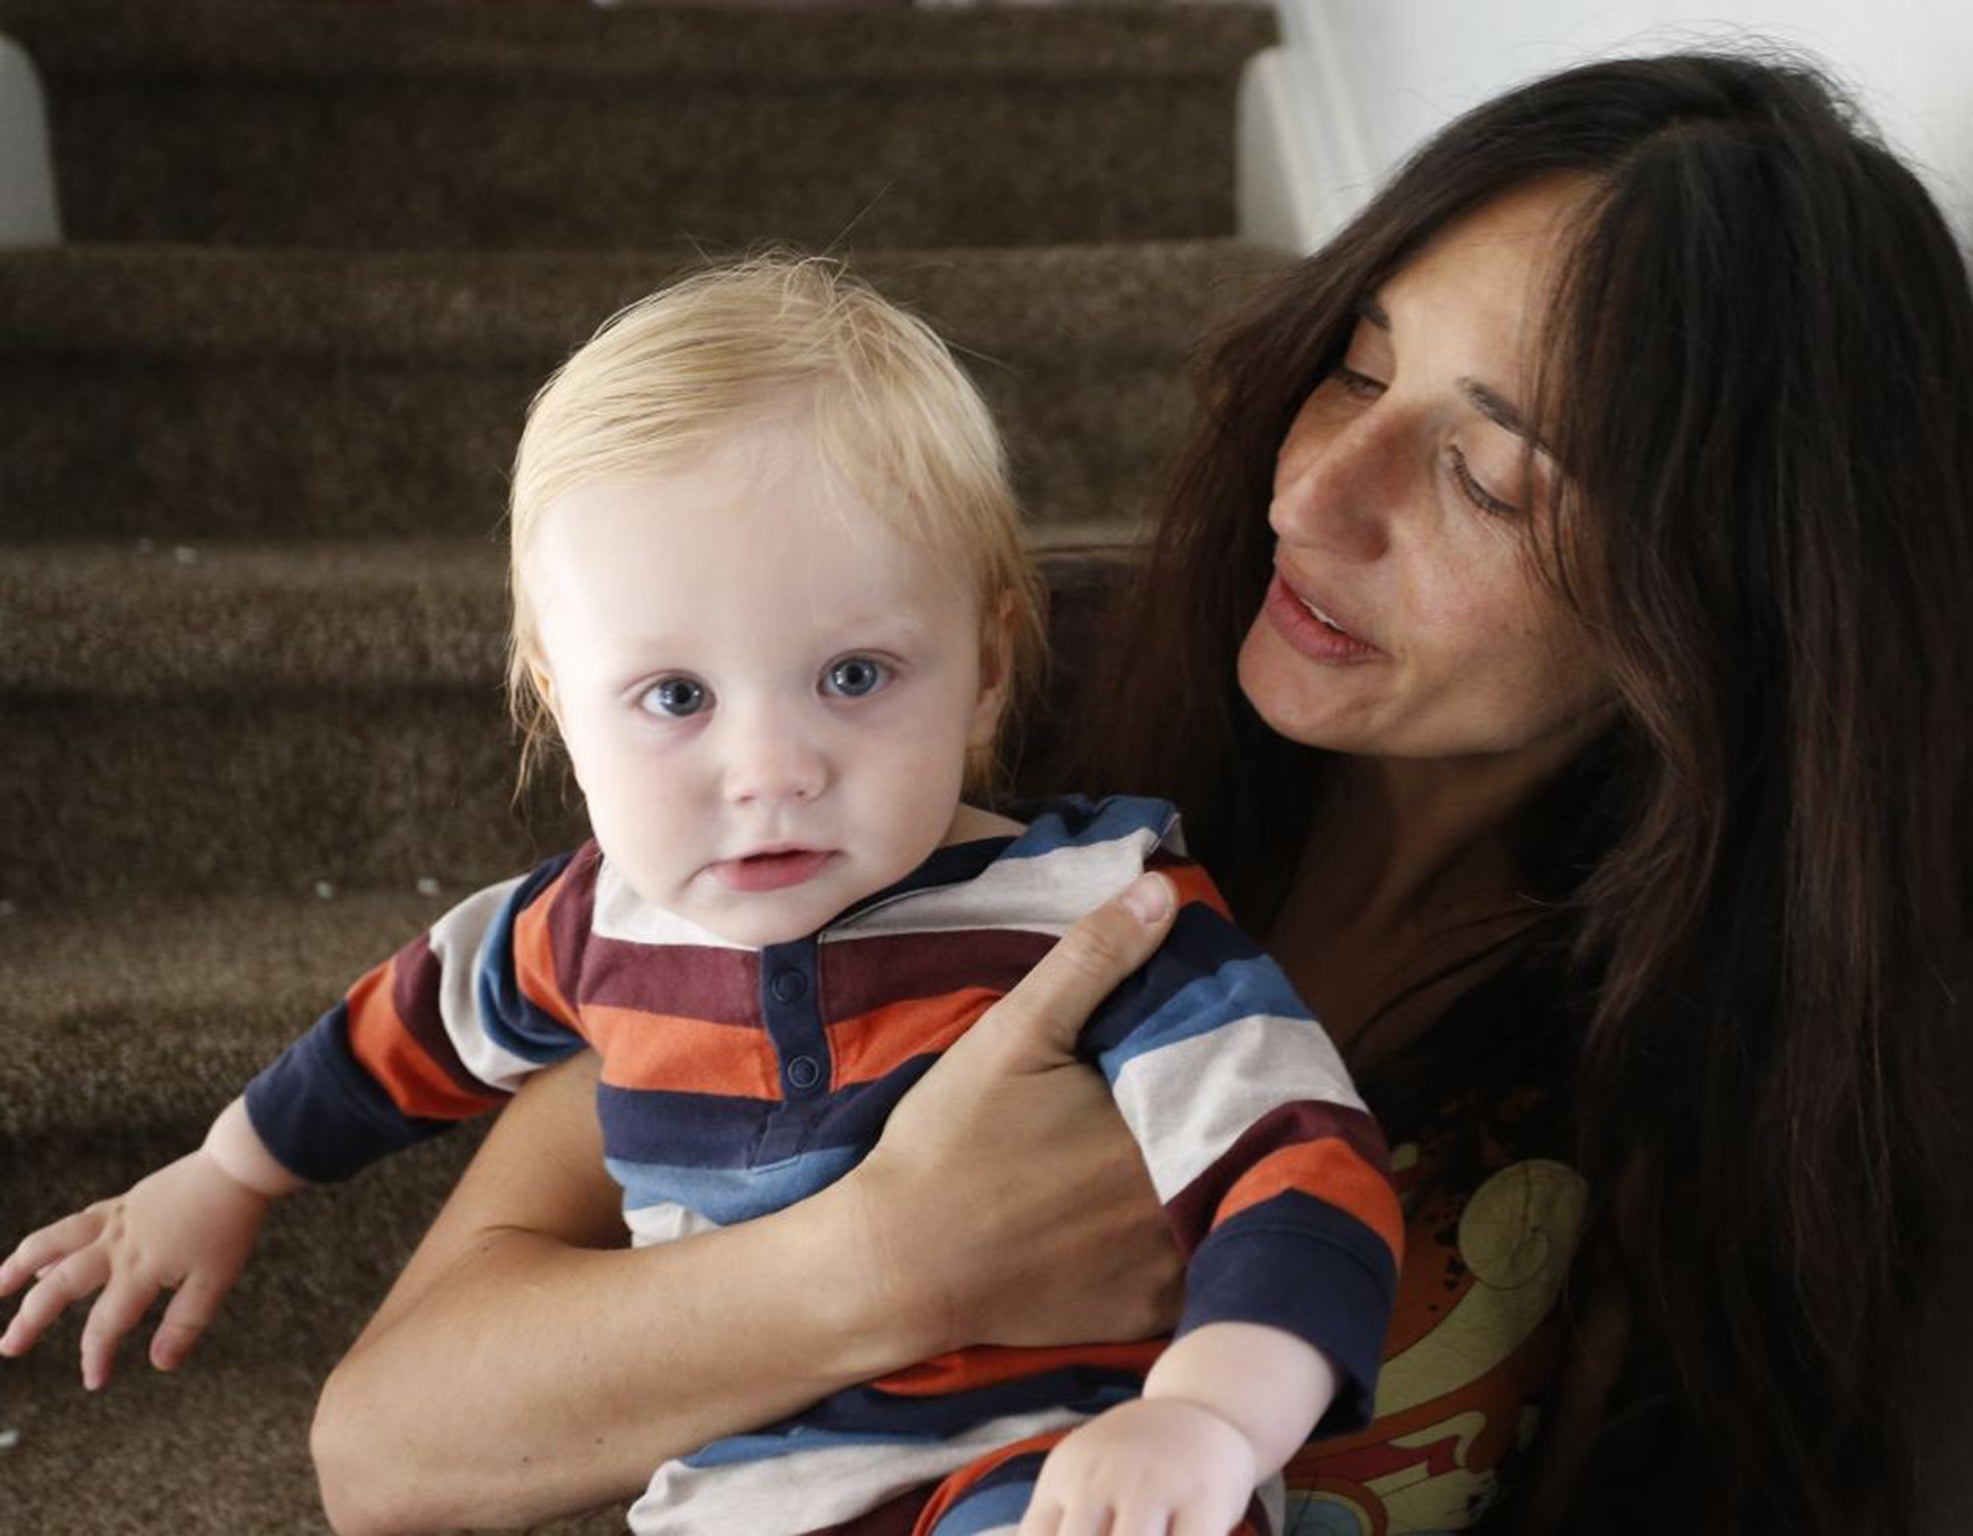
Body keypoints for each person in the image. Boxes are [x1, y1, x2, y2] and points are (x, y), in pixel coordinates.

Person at [135, 49, 1973, 1536]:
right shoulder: (938, 748)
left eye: (1490, 480)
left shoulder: (1710, 1054)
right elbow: (385, 1448)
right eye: (1350, 371)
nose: (1309, 499)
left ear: (1727, 598)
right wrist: (891, 1260)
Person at [0, 257, 1405, 1534]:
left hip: (1041, 1479)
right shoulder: (590, 924)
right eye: (674, 697)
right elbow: (404, 1030)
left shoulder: (1102, 907)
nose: (772, 771)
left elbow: (1300, 1162)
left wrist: (1211, 1414)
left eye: (855, 676)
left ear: (986, 664)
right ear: (560, 705)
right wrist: (228, 1172)